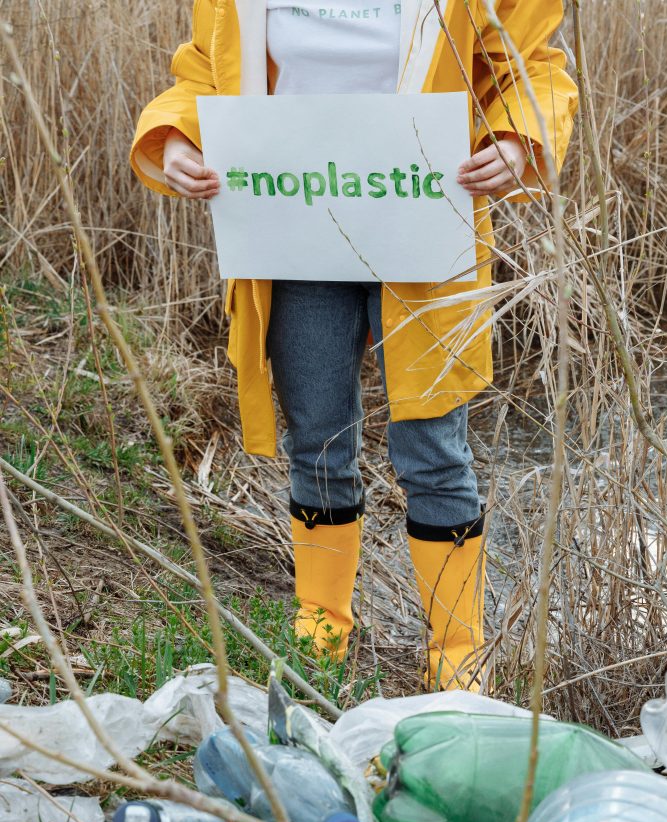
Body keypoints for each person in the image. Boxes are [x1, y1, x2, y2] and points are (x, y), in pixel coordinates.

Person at [131, 0, 577, 690]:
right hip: (292, 228)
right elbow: (203, 72)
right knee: (317, 439)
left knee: (433, 447)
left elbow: (531, 65)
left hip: (423, 228)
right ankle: (322, 630)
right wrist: (178, 139)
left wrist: (518, 138)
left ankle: (457, 652)